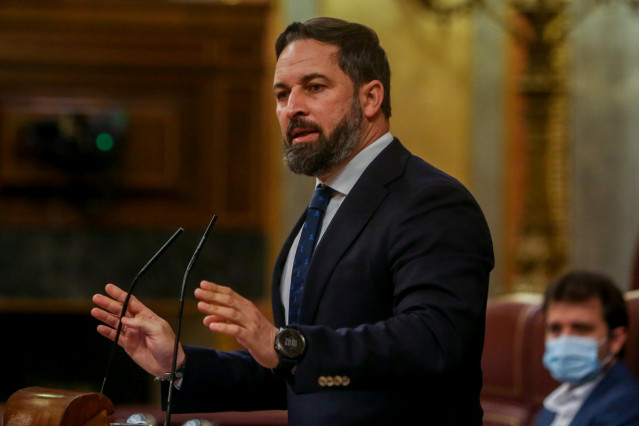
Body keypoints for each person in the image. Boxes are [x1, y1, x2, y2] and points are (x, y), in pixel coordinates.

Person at [92, 17, 494, 425]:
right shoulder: (320, 212)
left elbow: (435, 341)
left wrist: (288, 345)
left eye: (314, 87)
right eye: (282, 94)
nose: (292, 108)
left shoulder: (431, 201)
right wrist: (180, 364)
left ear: (371, 98)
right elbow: (298, 373)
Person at [535, 271, 639, 426]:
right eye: (555, 329)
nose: (565, 340)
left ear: (616, 339)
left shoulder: (628, 407)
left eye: (581, 329)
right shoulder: (556, 401)